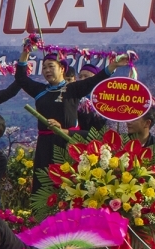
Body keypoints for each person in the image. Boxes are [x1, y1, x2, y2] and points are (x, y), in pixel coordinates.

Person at [15, 44, 125, 192]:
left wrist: (113, 65)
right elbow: (21, 77)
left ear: (62, 68)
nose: (47, 70)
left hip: (67, 143)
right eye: (44, 67)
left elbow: (95, 80)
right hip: (44, 146)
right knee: (42, 186)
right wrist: (25, 51)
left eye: (51, 66)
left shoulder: (72, 89)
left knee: (67, 187)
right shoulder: (40, 90)